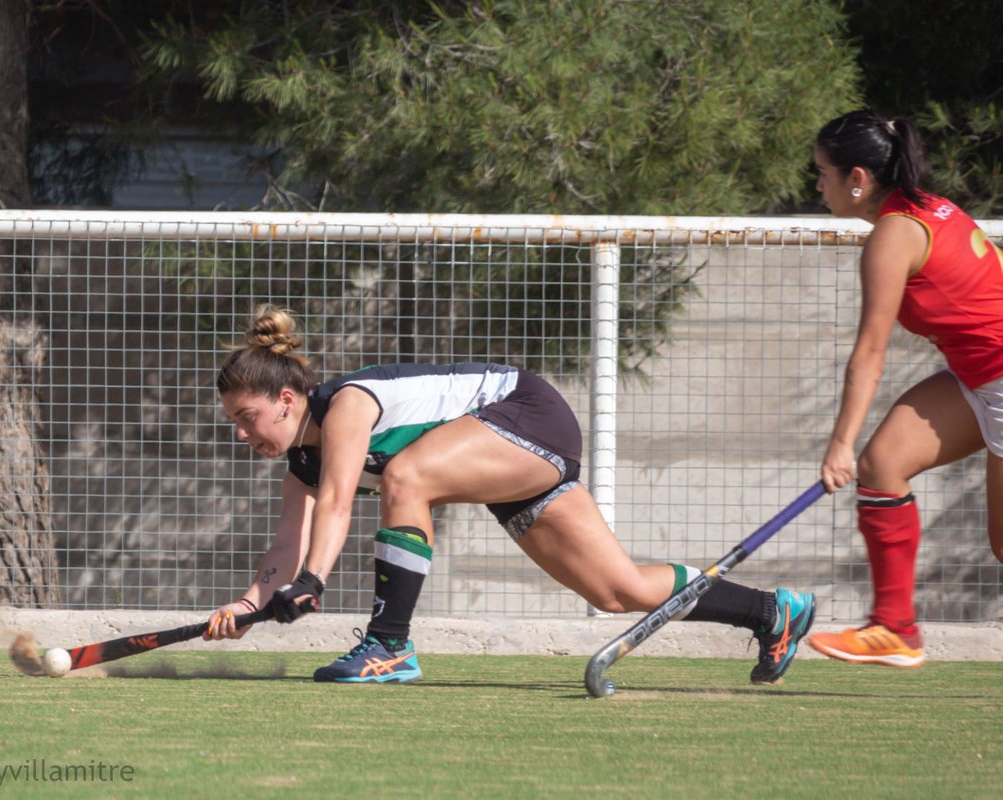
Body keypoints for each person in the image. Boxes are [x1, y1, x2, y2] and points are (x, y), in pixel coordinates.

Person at [206, 305, 816, 685]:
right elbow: (289, 544)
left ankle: (389, 645)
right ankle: (772, 611)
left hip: (525, 415)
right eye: (235, 422)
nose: (242, 433)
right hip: (500, 455)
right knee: (617, 589)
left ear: (287, 400)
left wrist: (312, 582)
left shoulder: (344, 407)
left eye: (248, 416)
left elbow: (337, 506)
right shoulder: (301, 465)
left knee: (406, 476)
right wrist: (248, 608)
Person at [807, 110, 1003, 668]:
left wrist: (839, 443)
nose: (817, 185)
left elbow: (869, 355)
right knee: (883, 465)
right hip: (978, 376)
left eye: (823, 173)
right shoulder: (923, 208)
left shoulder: (893, 236)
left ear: (858, 179)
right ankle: (894, 629)